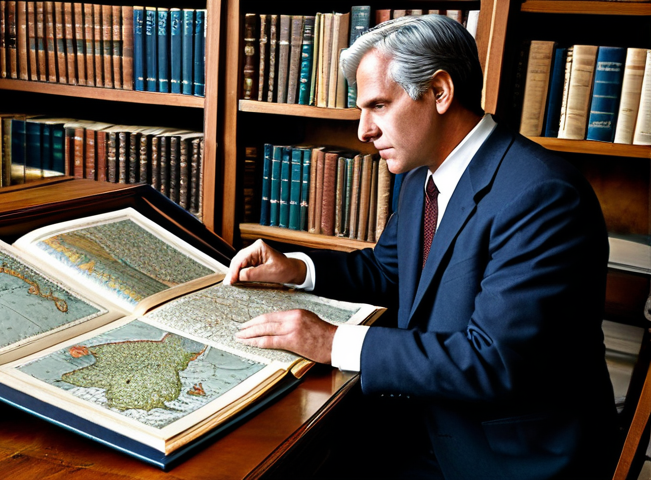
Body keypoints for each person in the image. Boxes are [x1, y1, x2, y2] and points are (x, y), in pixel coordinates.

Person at [225, 14, 620, 480]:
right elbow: (389, 273)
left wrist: (332, 341)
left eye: (378, 106)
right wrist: (297, 269)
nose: (362, 131)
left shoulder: (542, 195)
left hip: (508, 459)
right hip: (422, 424)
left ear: (439, 92)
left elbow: (493, 360)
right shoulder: (421, 176)